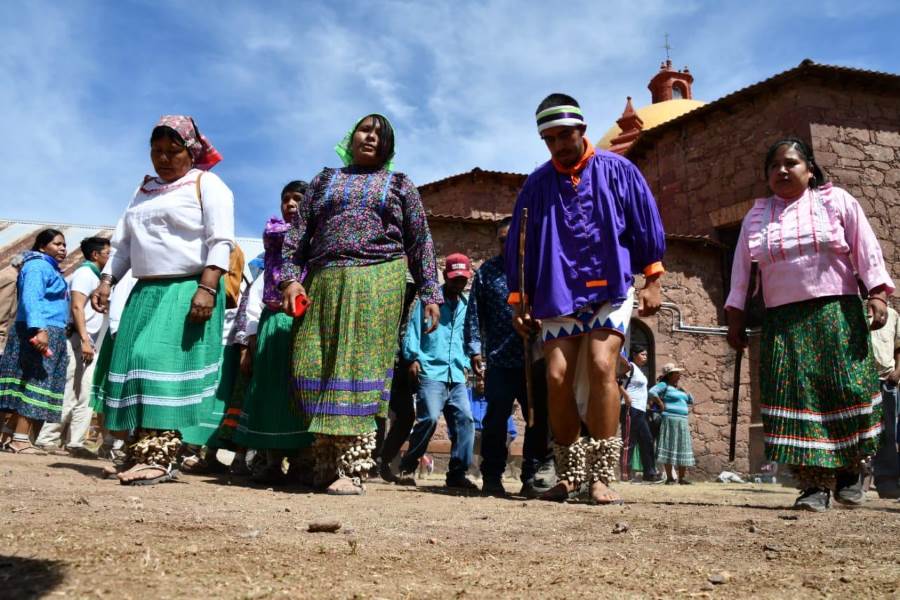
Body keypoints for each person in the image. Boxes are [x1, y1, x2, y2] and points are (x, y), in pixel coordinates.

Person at [506, 93, 666, 505]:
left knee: (600, 365)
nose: (558, 145)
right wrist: (519, 301)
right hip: (556, 290)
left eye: (564, 135)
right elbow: (521, 247)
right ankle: (569, 474)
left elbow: (644, 222)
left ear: (582, 129)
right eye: (549, 139)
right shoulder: (536, 185)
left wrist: (653, 279)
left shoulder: (619, 170)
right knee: (556, 376)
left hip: (609, 287)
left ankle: (601, 476)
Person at [726, 137, 894, 512]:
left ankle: (850, 471)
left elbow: (866, 248)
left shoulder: (836, 202)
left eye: (791, 163)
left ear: (810, 169)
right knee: (796, 395)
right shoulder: (757, 216)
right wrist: (735, 313)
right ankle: (813, 485)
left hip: (836, 312)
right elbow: (741, 270)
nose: (782, 171)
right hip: (783, 320)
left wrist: (878, 293)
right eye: (774, 166)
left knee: (847, 387)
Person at [279, 113, 442, 495]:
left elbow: (420, 240)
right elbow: (298, 234)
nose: (370, 137)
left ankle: (351, 464)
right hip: (323, 278)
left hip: (377, 279)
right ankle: (323, 458)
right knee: (310, 363)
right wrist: (290, 279)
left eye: (379, 134)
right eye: (365, 130)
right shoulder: (323, 181)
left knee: (357, 367)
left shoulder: (399, 184)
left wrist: (430, 292)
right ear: (351, 137)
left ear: (388, 147)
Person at [91, 115, 234, 485]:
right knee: (133, 366)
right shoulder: (144, 190)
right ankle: (139, 450)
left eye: (173, 151)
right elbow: (123, 244)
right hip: (145, 291)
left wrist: (207, 287)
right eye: (157, 151)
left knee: (154, 361)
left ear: (192, 152)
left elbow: (221, 240)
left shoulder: (206, 184)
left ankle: (161, 454)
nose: (164, 159)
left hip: (187, 288)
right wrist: (106, 281)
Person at [232, 181, 314, 483]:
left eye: (298, 199)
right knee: (269, 390)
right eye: (286, 199)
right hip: (274, 320)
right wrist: (251, 337)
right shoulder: (276, 233)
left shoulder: (315, 238)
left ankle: (303, 460)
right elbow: (257, 296)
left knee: (300, 389)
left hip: (304, 322)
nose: (290, 204)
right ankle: (271, 460)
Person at [466, 218, 554, 497]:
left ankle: (531, 476)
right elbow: (474, 314)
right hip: (500, 360)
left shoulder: (538, 271)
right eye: (502, 240)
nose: (506, 245)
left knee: (536, 420)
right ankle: (492, 476)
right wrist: (475, 349)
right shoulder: (487, 272)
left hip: (534, 359)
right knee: (495, 420)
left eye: (511, 239)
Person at [398, 254, 477, 490]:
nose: (459, 284)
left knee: (465, 420)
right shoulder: (429, 302)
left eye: (463, 279)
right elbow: (413, 329)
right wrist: (412, 357)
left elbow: (469, 335)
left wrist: (467, 361)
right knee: (429, 418)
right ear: (445, 276)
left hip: (456, 373)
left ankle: (457, 473)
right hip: (431, 370)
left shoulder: (467, 306)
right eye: (455, 279)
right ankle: (408, 466)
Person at [36, 236, 111, 458]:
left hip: (92, 341)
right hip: (80, 340)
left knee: (86, 392)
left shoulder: (99, 278)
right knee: (70, 389)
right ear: (95, 255)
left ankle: (74, 441)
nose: (111, 258)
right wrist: (85, 340)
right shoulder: (85, 274)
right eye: (108, 253)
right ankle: (48, 438)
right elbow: (77, 307)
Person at [0, 229, 69, 454]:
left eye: (64, 244)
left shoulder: (48, 267)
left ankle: (9, 436)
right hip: (39, 330)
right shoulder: (38, 266)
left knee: (27, 382)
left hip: (49, 329)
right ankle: (20, 439)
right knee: (34, 382)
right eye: (57, 244)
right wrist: (40, 329)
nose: (63, 248)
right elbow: (31, 298)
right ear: (42, 246)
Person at [377, 275, 419, 482]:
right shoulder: (380, 306)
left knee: (407, 415)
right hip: (378, 364)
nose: (407, 292)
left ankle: (383, 460)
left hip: (400, 367)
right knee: (377, 415)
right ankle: (371, 461)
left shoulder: (413, 309)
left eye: (410, 289)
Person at [618, 347, 664, 484]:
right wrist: (626, 396)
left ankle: (649, 474)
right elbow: (617, 380)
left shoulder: (640, 371)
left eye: (646, 355)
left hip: (641, 410)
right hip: (630, 408)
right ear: (634, 355)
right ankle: (625, 474)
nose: (645, 357)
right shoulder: (630, 367)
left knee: (647, 440)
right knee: (629, 440)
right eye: (643, 354)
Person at [870, 304, 900, 498]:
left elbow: (899, 346)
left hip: (885, 381)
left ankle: (887, 481)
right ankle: (852, 482)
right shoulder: (852, 310)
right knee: (855, 430)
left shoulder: (893, 315)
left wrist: (898, 372)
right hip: (857, 380)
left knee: (887, 432)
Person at [648, 363, 694, 484]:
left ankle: (682, 478)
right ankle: (670, 478)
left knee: (682, 446)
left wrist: (684, 390)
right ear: (670, 375)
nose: (679, 375)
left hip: (682, 421)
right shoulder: (664, 385)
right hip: (669, 419)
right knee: (669, 446)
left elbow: (691, 400)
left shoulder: (679, 388)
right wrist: (660, 403)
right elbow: (652, 392)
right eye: (677, 373)